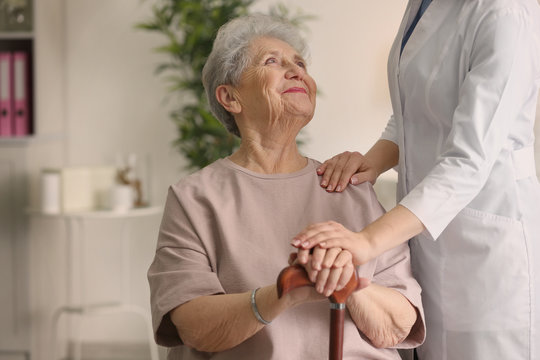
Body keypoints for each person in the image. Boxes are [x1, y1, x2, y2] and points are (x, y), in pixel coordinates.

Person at [147, 14, 425, 360]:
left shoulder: (347, 186)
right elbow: (192, 325)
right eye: (272, 62)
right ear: (231, 98)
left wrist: (348, 284)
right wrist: (283, 293)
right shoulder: (195, 198)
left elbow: (401, 322)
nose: (298, 73)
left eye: (300, 63)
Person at [291, 0, 540, 359]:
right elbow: (413, 110)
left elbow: (468, 161)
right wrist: (371, 162)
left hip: (487, 251)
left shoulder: (505, 10)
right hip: (426, 237)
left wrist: (367, 241)